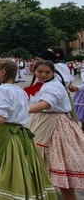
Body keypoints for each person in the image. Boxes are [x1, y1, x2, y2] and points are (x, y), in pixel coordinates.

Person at [0, 59, 55, 200]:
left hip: (1, 134)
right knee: (16, 169)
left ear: (3, 72)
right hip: (20, 136)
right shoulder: (20, 91)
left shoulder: (1, 90)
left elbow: (0, 118)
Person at [26, 59, 84, 200]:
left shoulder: (53, 86)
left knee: (61, 166)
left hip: (54, 125)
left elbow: (46, 104)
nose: (43, 74)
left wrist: (21, 110)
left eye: (47, 72)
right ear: (33, 71)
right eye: (40, 72)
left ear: (53, 73)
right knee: (44, 164)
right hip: (41, 124)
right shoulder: (41, 85)